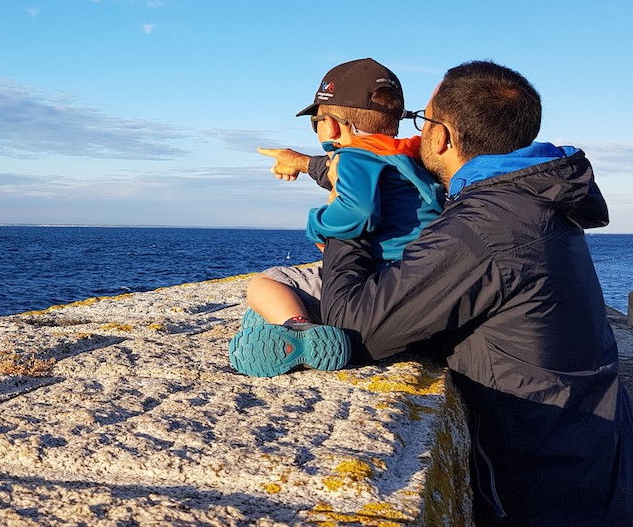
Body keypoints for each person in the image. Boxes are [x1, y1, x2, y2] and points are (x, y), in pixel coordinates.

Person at [314, 60, 633, 526]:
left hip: (545, 495)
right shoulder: (532, 199)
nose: (416, 133)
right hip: (593, 464)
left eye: (422, 121)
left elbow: (351, 324)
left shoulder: (485, 227)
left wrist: (347, 223)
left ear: (441, 137)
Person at [229, 58, 444, 377]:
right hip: (416, 281)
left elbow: (359, 210)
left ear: (329, 126)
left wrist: (317, 224)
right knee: (263, 312)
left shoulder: (352, 156)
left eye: (315, 120)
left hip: (369, 280)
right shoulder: (412, 159)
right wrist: (300, 163)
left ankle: (298, 329)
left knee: (268, 283)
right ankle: (285, 321)